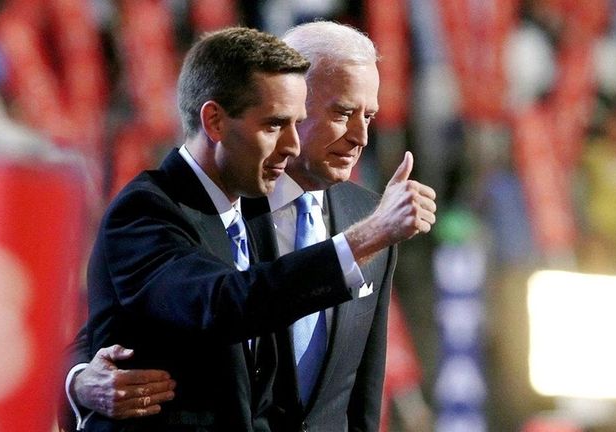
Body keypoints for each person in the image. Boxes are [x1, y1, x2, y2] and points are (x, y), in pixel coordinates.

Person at [73, 25, 435, 432]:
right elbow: (207, 305)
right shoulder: (181, 204)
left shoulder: (365, 212)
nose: (361, 137)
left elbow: (362, 389)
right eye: (343, 113)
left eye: (369, 116)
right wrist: (77, 381)